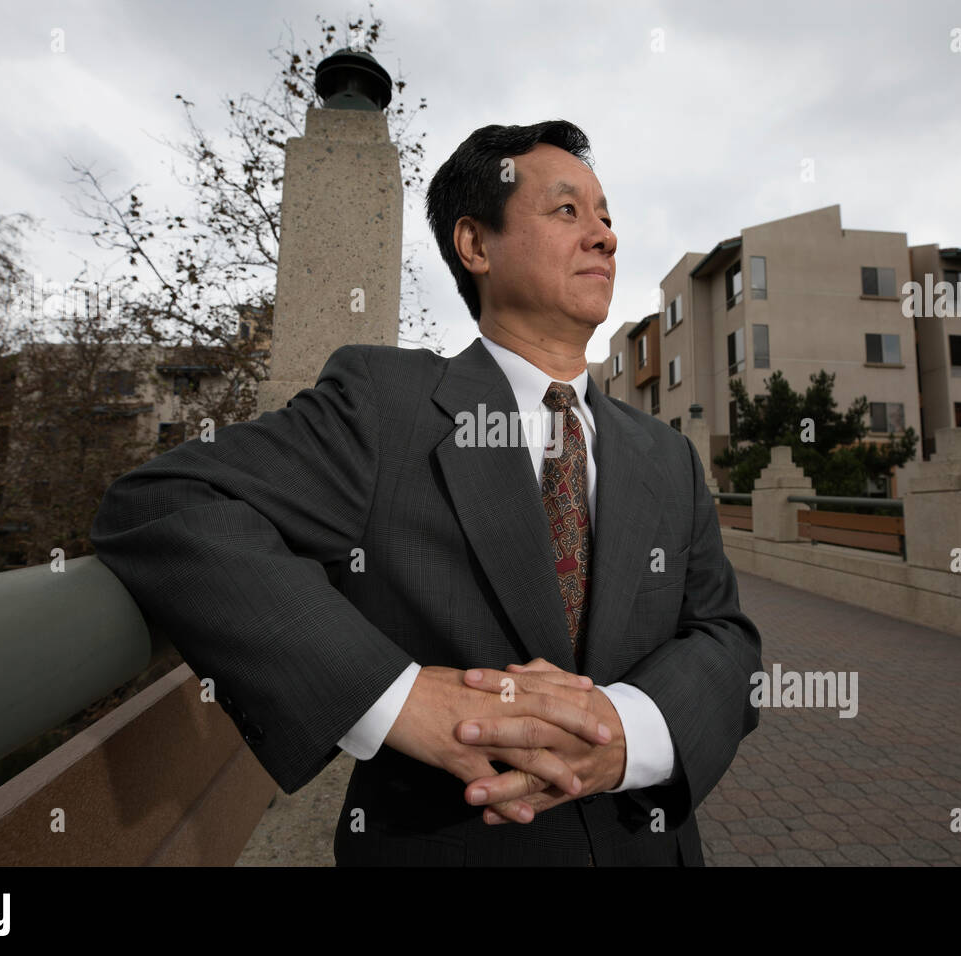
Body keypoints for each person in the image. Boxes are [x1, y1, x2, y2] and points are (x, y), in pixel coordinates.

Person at [90, 119, 761, 866]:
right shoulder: (386, 405)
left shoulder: (666, 456)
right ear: (475, 245)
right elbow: (166, 502)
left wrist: (627, 732)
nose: (604, 235)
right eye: (568, 210)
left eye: (606, 217)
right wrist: (396, 697)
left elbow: (725, 637)